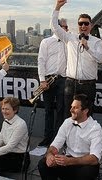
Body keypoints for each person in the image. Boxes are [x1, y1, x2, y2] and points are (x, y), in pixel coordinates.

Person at [51, 0, 102, 118]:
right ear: (78, 25)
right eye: (80, 24)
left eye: (86, 23)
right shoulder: (70, 38)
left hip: (88, 86)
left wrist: (87, 47)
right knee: (69, 116)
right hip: (71, 84)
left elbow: (101, 59)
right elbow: (54, 27)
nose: (83, 26)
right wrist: (57, 8)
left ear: (91, 25)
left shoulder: (97, 42)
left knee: (87, 116)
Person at [38, 94, 102, 180]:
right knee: (43, 164)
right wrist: (50, 155)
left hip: (85, 163)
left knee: (87, 172)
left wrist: (70, 161)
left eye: (75, 108)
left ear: (85, 111)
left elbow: (94, 158)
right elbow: (55, 145)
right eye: (71, 107)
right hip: (68, 161)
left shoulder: (95, 128)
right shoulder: (67, 122)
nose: (71, 110)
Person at [37, 18, 68, 147]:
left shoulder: (69, 42)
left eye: (67, 27)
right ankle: (47, 138)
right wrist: (42, 80)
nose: (67, 29)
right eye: (65, 27)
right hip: (48, 80)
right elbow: (41, 61)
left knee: (62, 111)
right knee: (48, 110)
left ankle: (58, 140)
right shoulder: (46, 42)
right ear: (58, 28)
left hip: (63, 79)